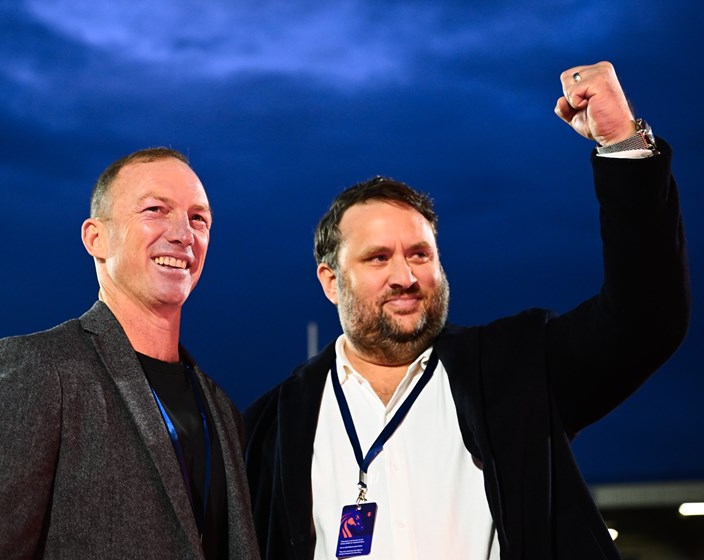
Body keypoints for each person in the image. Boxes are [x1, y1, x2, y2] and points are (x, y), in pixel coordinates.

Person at [243, 61, 691, 559]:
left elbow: (647, 316)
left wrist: (622, 142)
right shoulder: (269, 428)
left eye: (420, 254)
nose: (405, 276)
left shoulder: (518, 371)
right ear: (330, 281)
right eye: (378, 258)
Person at [0, 148, 260, 559]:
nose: (183, 234)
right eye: (155, 210)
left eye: (198, 218)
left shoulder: (222, 409)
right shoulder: (37, 371)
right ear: (95, 238)